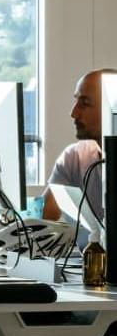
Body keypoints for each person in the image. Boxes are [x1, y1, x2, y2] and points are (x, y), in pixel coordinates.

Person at [42, 68, 115, 222]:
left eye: (85, 104)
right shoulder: (74, 157)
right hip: (86, 247)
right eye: (76, 101)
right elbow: (43, 219)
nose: (74, 113)